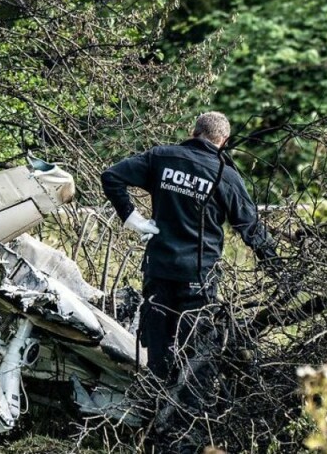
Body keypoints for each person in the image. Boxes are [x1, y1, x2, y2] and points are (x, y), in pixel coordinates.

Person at [100, 112, 279, 433]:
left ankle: (154, 424)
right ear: (223, 142)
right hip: (199, 279)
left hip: (158, 272)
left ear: (193, 132)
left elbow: (111, 175)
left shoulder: (162, 157)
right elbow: (251, 228)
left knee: (158, 351)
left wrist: (132, 218)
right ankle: (188, 430)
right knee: (195, 356)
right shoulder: (225, 175)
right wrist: (279, 268)